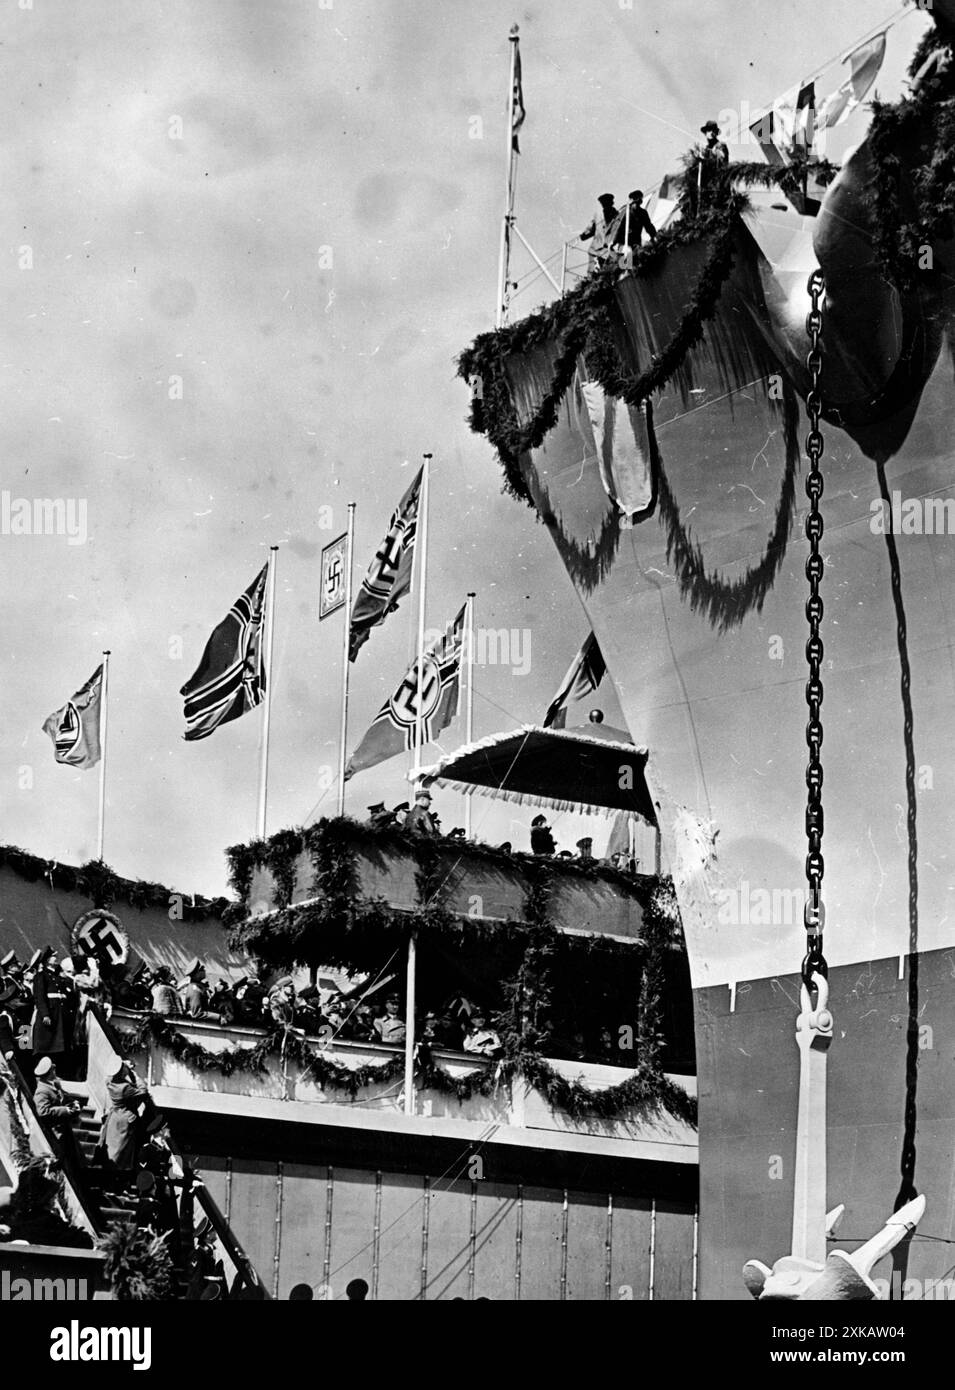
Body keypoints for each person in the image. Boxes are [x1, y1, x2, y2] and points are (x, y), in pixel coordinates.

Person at [101, 1060, 163, 1172]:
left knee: (114, 1148)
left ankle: (112, 1170)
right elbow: (143, 1091)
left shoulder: (109, 1081)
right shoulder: (124, 1088)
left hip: (115, 1116)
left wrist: (125, 1070)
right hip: (125, 1120)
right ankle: (118, 1172)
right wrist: (134, 1074)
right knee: (122, 1150)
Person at [33, 1056, 84, 1184]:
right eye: (53, 1069)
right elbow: (43, 1112)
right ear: (48, 1073)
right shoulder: (42, 1091)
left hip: (65, 1130)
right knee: (59, 1162)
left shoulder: (54, 1084)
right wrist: (65, 1110)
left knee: (74, 1160)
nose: (55, 1071)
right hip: (56, 1133)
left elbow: (64, 1096)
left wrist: (73, 1103)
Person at [32, 947, 68, 1058]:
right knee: (47, 1044)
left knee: (58, 1045)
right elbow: (40, 997)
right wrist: (45, 1014)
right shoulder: (41, 976)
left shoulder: (57, 976)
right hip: (50, 1013)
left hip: (58, 1013)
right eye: (53, 956)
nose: (55, 958)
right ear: (47, 959)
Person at [697, 119, 730, 212]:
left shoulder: (720, 145)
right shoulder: (704, 149)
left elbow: (722, 161)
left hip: (719, 184)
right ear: (705, 133)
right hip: (707, 185)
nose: (711, 133)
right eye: (708, 130)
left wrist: (714, 153)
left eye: (713, 130)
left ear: (716, 133)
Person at [580, 193, 622, 264]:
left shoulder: (616, 215)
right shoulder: (599, 216)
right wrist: (584, 236)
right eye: (602, 204)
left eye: (604, 203)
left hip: (610, 247)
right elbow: (593, 230)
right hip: (601, 248)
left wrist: (584, 236)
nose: (603, 206)